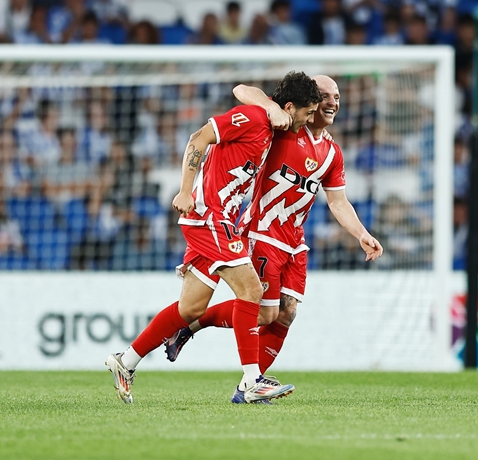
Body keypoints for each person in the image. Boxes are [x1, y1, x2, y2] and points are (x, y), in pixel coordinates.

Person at [105, 71, 318, 405]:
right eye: (306, 114)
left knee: (190, 308)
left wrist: (266, 102)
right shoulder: (252, 118)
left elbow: (247, 89)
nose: (307, 121)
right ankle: (251, 382)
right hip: (209, 216)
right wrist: (185, 191)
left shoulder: (269, 123)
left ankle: (125, 362)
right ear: (290, 107)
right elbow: (198, 138)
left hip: (223, 219)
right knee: (251, 289)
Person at [162, 75, 383, 384]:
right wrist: (268, 104)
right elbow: (241, 89)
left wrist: (361, 233)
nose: (333, 102)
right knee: (265, 313)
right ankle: (197, 331)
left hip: (294, 241)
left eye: (337, 96)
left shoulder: (333, 153)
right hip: (262, 232)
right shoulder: (284, 127)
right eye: (326, 96)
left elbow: (338, 201)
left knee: (287, 313)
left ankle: (251, 385)